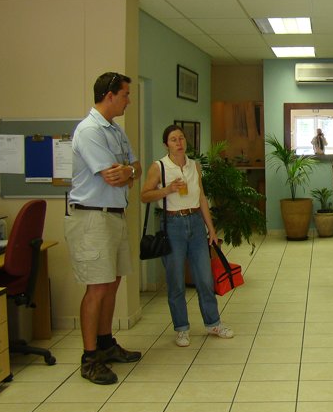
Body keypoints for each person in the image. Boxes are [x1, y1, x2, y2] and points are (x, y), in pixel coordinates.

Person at [65, 72, 143, 385]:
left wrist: (128, 171)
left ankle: (106, 343)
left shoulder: (115, 130)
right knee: (96, 286)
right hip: (91, 218)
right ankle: (89, 357)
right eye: (125, 94)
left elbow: (134, 168)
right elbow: (112, 175)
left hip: (114, 215)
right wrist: (126, 172)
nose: (128, 100)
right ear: (109, 95)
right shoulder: (88, 131)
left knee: (112, 282)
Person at [140, 125, 233, 347]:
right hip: (173, 224)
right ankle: (181, 328)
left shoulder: (194, 166)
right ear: (167, 144)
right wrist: (167, 189)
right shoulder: (159, 167)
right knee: (176, 281)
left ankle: (213, 323)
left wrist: (210, 228)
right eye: (173, 139)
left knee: (204, 277)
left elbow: (201, 197)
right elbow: (144, 195)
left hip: (195, 222)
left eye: (181, 138)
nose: (179, 142)